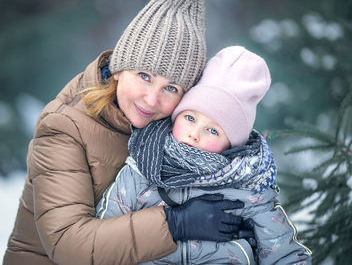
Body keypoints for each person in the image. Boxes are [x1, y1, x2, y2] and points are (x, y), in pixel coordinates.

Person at [3, 0, 252, 265]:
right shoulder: (64, 128)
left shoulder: (176, 133)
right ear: (120, 69)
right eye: (145, 76)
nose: (151, 99)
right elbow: (68, 245)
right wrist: (175, 223)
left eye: (171, 88)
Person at [96, 46, 313, 264]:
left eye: (212, 130)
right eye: (190, 118)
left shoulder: (246, 188)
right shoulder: (141, 169)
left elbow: (283, 253)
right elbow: (105, 237)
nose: (194, 134)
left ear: (230, 144)